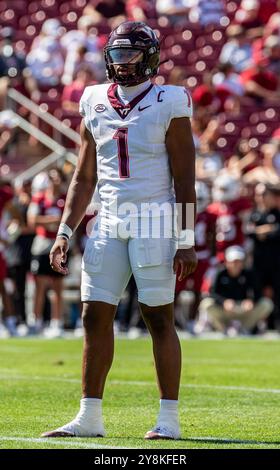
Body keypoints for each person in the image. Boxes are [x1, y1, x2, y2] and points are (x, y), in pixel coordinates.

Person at [43, 21, 197, 440]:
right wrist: (64, 231)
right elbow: (83, 174)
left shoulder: (171, 100)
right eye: (116, 55)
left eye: (130, 55)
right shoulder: (93, 98)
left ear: (149, 58)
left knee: (158, 318)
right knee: (94, 315)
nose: (122, 64)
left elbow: (185, 180)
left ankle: (169, 418)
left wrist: (185, 240)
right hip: (107, 220)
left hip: (155, 219)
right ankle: (89, 416)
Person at [200, 245, 273, 335]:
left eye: (239, 261)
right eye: (233, 261)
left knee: (267, 303)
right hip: (225, 311)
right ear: (227, 262)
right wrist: (224, 302)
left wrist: (251, 301)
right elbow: (212, 293)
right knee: (206, 303)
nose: (236, 264)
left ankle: (245, 328)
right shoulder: (220, 273)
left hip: (243, 310)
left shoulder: (249, 274)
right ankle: (223, 328)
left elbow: (258, 293)